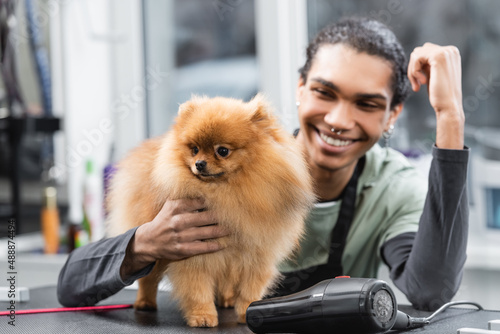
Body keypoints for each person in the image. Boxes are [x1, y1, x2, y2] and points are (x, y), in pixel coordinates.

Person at [57, 17, 468, 312]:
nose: (340, 120)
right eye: (325, 93)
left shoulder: (395, 190)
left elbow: (430, 292)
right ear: (300, 89)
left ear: (393, 114)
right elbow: (70, 284)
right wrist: (143, 243)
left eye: (367, 103)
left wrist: (450, 119)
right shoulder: (198, 176)